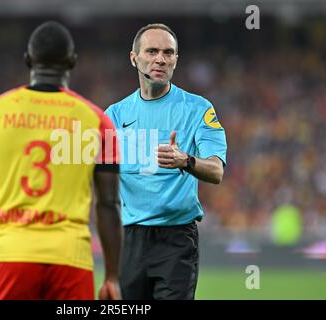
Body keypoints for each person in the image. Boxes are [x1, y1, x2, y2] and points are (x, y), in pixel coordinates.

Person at [0, 21, 122, 300]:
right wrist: (111, 276)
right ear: (72, 61)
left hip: (9, 255)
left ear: (27, 59)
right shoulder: (97, 119)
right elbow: (108, 203)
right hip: (70, 259)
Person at [105, 23, 227, 300]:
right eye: (152, 51)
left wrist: (186, 160)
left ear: (175, 60)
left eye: (168, 53)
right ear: (134, 58)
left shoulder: (198, 109)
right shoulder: (113, 115)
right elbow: (100, 176)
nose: (161, 58)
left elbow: (216, 170)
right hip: (128, 240)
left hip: (176, 240)